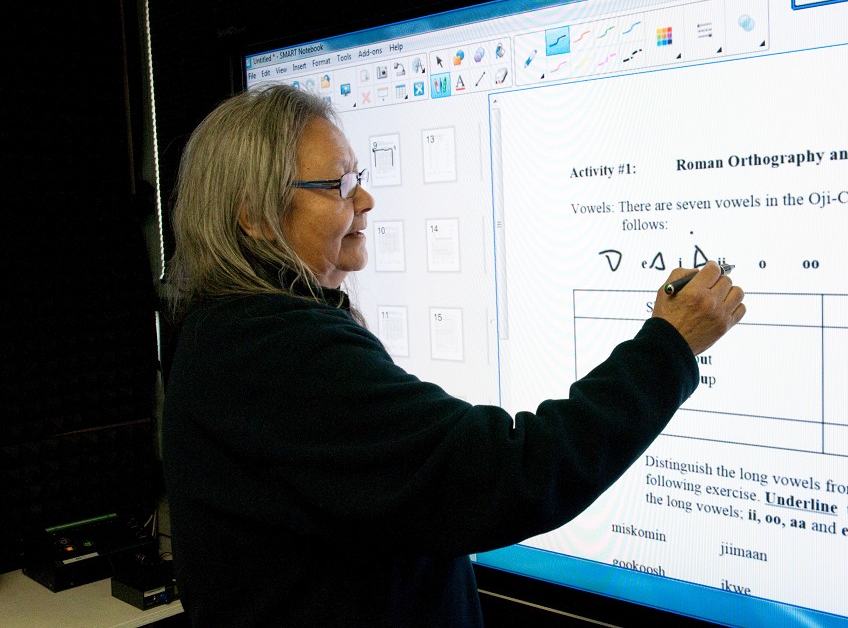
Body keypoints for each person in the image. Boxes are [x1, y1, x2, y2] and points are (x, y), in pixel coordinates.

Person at [161, 83, 745, 628]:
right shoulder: (273, 351)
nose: (365, 199)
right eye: (337, 185)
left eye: (358, 176)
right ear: (257, 216)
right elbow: (507, 474)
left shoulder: (228, 329)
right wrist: (669, 346)